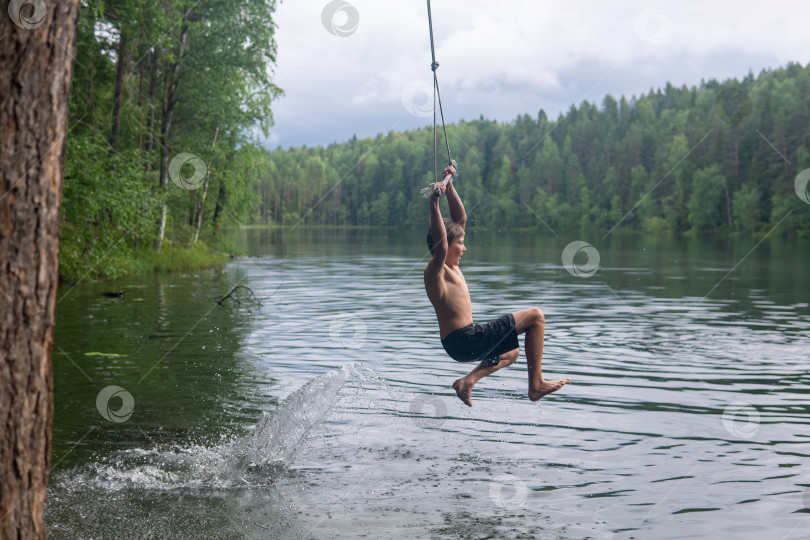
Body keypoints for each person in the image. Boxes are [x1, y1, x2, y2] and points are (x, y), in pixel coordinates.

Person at [423, 165, 569, 406]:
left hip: (461, 342)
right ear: (447, 245)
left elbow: (460, 219)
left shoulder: (452, 265)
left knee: (510, 353)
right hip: (463, 339)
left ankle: (467, 382)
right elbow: (441, 245)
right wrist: (434, 204)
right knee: (536, 317)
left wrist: (449, 187)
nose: (464, 248)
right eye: (460, 243)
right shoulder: (435, 271)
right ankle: (536, 385)